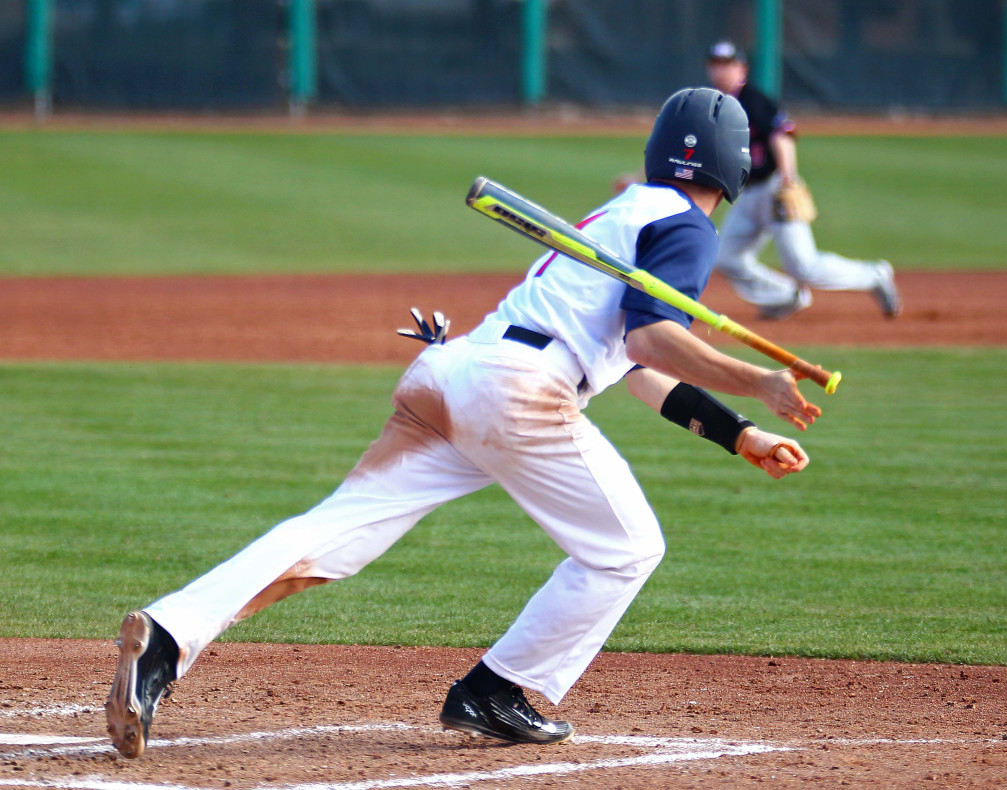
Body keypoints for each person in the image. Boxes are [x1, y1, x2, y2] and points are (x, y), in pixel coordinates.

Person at [105, 87, 821, 759]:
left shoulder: (625, 212)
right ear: (735, 163)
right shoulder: (688, 227)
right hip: (521, 394)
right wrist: (758, 380)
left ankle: (168, 635)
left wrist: (739, 432)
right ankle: (496, 690)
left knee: (333, 533)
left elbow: (634, 368)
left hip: (455, 373)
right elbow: (648, 340)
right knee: (626, 549)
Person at [704, 40, 902, 320]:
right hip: (748, 194)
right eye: (716, 65)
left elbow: (781, 135)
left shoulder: (754, 100)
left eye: (728, 65)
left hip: (774, 187)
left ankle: (874, 275)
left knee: (804, 265)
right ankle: (785, 295)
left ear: (742, 68)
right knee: (726, 258)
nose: (721, 71)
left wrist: (788, 178)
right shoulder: (715, 105)